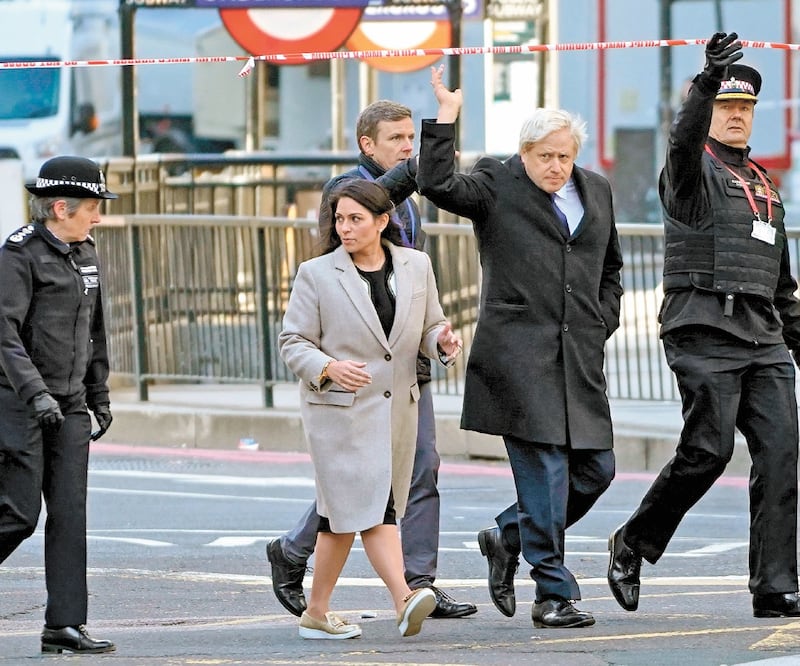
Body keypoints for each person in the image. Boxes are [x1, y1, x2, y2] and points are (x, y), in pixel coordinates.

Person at [416, 66, 623, 628]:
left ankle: (506, 536)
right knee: (547, 475)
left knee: (596, 470)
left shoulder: (596, 190)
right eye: (545, 156)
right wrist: (445, 119)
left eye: (565, 156)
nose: (556, 166)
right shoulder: (495, 182)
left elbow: (611, 268)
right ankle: (552, 594)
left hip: (579, 359)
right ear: (524, 153)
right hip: (518, 359)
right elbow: (438, 185)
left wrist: (601, 320)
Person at [607, 32, 800, 618]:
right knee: (707, 451)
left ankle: (774, 586)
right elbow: (682, 139)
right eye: (726, 106)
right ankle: (632, 542)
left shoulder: (764, 186)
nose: (736, 115)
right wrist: (705, 83)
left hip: (762, 337)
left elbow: (781, 287)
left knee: (782, 456)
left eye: (745, 107)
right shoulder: (690, 174)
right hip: (703, 330)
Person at [267, 99, 477, 620]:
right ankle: (305, 559)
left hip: (403, 371)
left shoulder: (408, 233)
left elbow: (422, 305)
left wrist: (438, 339)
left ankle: (417, 585)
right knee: (358, 486)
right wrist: (437, 136)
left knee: (417, 470)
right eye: (397, 139)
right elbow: (388, 191)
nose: (407, 147)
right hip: (351, 384)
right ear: (367, 144)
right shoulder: (347, 191)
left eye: (412, 138)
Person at [0, 156, 116, 654]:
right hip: (19, 401)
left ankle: (64, 625)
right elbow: (4, 335)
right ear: (61, 208)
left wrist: (99, 394)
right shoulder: (18, 255)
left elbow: (94, 329)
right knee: (18, 513)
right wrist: (36, 394)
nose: (98, 217)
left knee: (70, 513)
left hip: (67, 404)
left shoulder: (85, 252)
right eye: (91, 207)